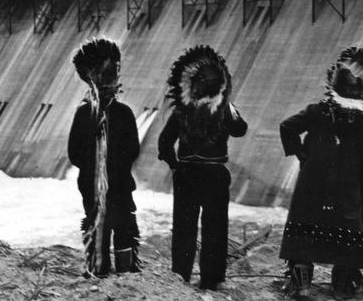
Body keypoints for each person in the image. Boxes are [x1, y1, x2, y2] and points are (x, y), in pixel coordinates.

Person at [279, 46, 363, 300]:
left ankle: (300, 284)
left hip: (313, 182)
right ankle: (342, 286)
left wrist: (302, 156)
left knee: (304, 226)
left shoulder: (318, 110)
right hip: (348, 185)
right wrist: (361, 171)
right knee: (348, 231)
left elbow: (287, 127)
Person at [157, 45, 247, 290]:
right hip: (215, 174)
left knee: (184, 228)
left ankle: (181, 275)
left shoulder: (182, 110)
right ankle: (211, 278)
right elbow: (241, 130)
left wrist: (176, 166)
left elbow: (164, 144)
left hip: (187, 173)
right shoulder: (224, 110)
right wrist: (229, 105)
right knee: (215, 228)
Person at [68, 37, 141, 277]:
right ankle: (125, 271)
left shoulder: (83, 113)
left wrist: (93, 167)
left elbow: (74, 154)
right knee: (124, 228)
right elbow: (133, 151)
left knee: (97, 225)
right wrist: (117, 166)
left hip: (91, 186)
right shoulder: (125, 113)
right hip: (120, 184)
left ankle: (97, 271)